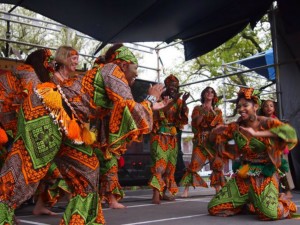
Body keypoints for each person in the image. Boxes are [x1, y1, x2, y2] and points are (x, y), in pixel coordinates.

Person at [0, 47, 105, 225]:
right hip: (31, 129)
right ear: (62, 58)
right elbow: (33, 97)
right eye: (73, 57)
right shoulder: (32, 76)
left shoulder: (71, 81)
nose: (76, 61)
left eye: (77, 57)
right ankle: (5, 211)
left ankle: (79, 219)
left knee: (89, 169)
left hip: (64, 134)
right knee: (25, 171)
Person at [90, 43, 169, 209]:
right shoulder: (112, 70)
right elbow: (128, 106)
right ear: (124, 65)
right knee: (97, 163)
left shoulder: (108, 71)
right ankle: (103, 201)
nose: (137, 72)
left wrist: (151, 105)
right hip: (81, 127)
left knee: (101, 162)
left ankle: (102, 200)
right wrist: (152, 98)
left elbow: (129, 106)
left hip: (93, 130)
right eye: (135, 68)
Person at [208, 87, 298, 220]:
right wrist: (214, 133)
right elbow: (211, 144)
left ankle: (284, 203)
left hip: (265, 175)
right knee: (214, 207)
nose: (241, 109)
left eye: (245, 105)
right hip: (245, 174)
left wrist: (257, 133)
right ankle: (249, 202)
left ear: (255, 106)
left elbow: (290, 135)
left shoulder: (266, 122)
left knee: (269, 214)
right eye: (239, 106)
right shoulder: (236, 127)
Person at [148, 74, 189, 204]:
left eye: (175, 86)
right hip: (159, 135)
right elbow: (157, 114)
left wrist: (184, 102)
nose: (173, 88)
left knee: (170, 166)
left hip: (172, 136)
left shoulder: (179, 101)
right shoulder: (159, 98)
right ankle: (156, 193)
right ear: (166, 86)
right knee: (159, 165)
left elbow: (182, 119)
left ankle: (165, 192)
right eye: (171, 85)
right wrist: (171, 101)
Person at [180, 87, 226, 198]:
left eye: (212, 92)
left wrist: (214, 114)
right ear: (203, 95)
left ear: (214, 96)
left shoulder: (218, 110)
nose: (209, 93)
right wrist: (204, 112)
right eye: (207, 91)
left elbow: (220, 126)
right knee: (194, 165)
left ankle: (218, 189)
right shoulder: (197, 108)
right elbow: (196, 123)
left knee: (217, 165)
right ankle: (186, 190)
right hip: (201, 141)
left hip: (213, 142)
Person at [260, 99, 295, 199]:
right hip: (267, 150)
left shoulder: (276, 121)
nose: (269, 108)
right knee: (270, 171)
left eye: (271, 106)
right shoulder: (261, 121)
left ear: (274, 108)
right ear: (263, 109)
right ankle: (272, 190)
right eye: (266, 106)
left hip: (278, 149)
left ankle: (288, 191)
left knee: (282, 170)